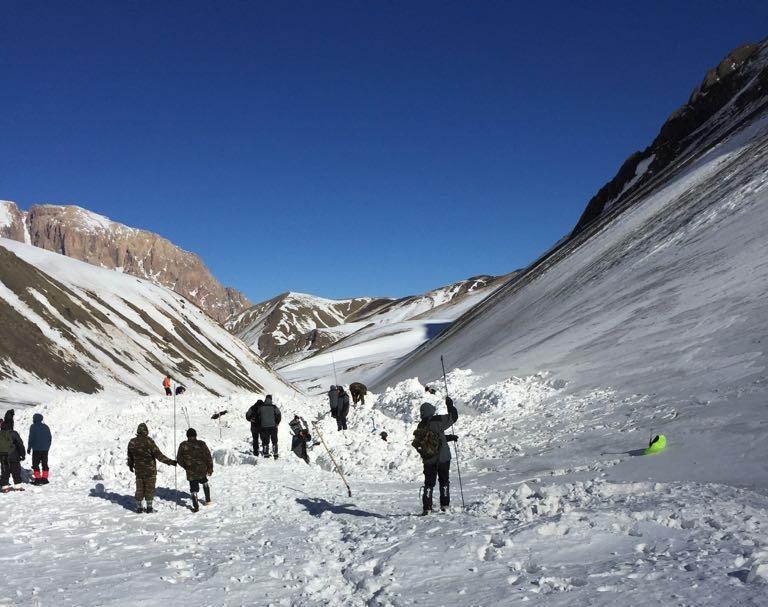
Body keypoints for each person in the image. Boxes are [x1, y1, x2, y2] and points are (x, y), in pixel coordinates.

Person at [417, 397, 458, 515]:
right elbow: (454, 417)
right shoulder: (438, 420)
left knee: (429, 484)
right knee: (444, 481)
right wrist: (450, 405)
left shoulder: (420, 426)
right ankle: (445, 506)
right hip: (443, 458)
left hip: (429, 460)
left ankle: (427, 508)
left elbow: (433, 438)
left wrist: (449, 437)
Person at [126, 423, 176, 513]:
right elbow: (159, 455)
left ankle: (139, 508)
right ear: (146, 431)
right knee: (150, 489)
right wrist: (170, 462)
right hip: (150, 471)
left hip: (139, 471)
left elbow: (130, 456)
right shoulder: (149, 441)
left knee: (139, 489)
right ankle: (149, 508)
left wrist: (130, 465)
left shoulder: (132, 442)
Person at [176, 428, 214, 513]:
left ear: (187, 436)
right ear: (196, 435)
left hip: (191, 472)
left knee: (193, 489)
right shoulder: (201, 443)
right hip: (202, 470)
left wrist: (186, 466)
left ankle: (196, 507)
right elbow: (208, 456)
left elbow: (179, 459)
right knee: (205, 482)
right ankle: (208, 500)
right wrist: (210, 467)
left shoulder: (183, 445)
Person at [0, 418, 25, 493]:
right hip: (14, 455)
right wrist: (22, 455)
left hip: (3, 456)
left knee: (4, 472)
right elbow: (20, 444)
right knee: (16, 471)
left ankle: (5, 487)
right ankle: (18, 487)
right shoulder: (14, 433)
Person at [27, 413, 52, 485]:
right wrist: (47, 446)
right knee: (44, 463)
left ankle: (38, 479)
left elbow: (31, 438)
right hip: (45, 449)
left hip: (36, 449)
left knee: (35, 464)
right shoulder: (46, 427)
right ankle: (45, 478)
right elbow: (50, 438)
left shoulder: (33, 426)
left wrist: (29, 448)